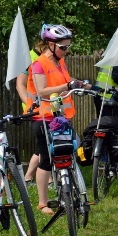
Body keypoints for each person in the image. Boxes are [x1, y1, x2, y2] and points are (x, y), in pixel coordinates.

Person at [24, 24, 89, 215]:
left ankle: (69, 186)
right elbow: (42, 90)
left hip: (60, 116)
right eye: (63, 47)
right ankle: (43, 203)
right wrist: (66, 85)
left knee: (70, 149)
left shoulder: (59, 61)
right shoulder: (38, 65)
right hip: (42, 117)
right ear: (50, 45)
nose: (66, 51)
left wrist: (79, 84)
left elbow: (63, 83)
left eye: (68, 47)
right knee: (46, 158)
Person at [16, 39, 46, 184]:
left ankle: (29, 178)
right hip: (35, 109)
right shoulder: (29, 58)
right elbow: (20, 84)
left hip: (49, 107)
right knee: (44, 145)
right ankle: (32, 177)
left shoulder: (51, 59)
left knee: (45, 145)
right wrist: (30, 105)